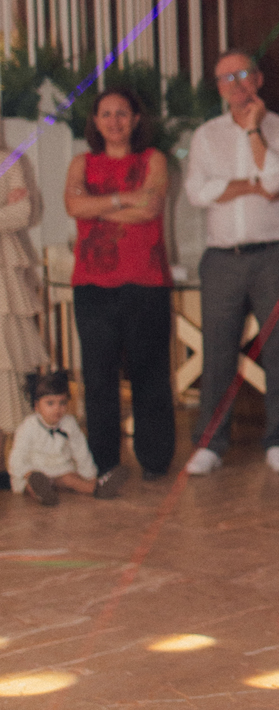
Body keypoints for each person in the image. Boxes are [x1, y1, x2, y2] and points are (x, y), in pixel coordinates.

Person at [183, 52, 279, 476]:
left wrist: (254, 131)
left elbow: (274, 182)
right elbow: (198, 192)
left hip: (273, 254)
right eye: (224, 78)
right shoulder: (205, 136)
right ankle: (211, 444)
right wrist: (248, 184)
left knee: (278, 349)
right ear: (217, 87)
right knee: (217, 353)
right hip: (221, 258)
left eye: (242, 74)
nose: (235, 84)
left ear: (259, 79)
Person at [64, 87, 176, 482]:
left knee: (150, 373)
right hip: (92, 286)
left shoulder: (154, 159)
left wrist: (99, 206)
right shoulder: (81, 163)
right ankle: (104, 462)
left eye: (122, 114)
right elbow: (74, 206)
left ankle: (155, 460)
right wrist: (122, 200)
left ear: (136, 119)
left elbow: (150, 209)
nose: (114, 121)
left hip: (146, 282)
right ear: (95, 122)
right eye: (106, 114)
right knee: (97, 377)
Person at [10, 368, 124, 505]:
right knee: (31, 484)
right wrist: (26, 473)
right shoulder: (28, 426)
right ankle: (43, 493)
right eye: (50, 403)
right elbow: (17, 457)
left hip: (59, 469)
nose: (57, 409)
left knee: (71, 479)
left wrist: (90, 476)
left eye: (62, 403)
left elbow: (81, 451)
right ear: (37, 406)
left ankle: (98, 488)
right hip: (35, 470)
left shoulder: (69, 423)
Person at [0, 145, 44, 481]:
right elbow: (10, 214)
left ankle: (11, 462)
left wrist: (13, 209)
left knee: (7, 359)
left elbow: (23, 213)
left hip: (3, 273)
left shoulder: (8, 159)